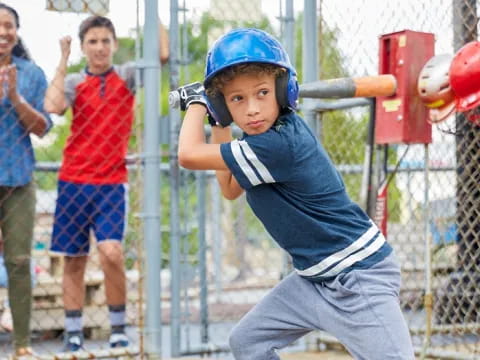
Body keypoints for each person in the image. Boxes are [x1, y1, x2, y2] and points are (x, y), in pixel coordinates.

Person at [176, 28, 415, 360]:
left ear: (283, 90)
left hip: (358, 276)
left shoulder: (279, 144)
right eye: (237, 100)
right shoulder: (258, 142)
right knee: (248, 342)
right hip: (312, 280)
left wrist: (198, 105)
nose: (252, 109)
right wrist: (219, 121)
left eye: (262, 93)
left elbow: (188, 154)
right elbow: (230, 188)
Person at [44, 15, 168, 352]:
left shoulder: (126, 76)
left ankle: (117, 327)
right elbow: (52, 106)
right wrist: (64, 57)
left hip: (111, 182)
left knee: (111, 253)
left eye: (105, 41)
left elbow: (161, 54)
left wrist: (155, 10)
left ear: (114, 44)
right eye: (92, 42)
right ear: (84, 47)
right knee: (73, 258)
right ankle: (72, 332)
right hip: (73, 180)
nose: (99, 47)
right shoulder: (73, 82)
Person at [0, 3, 53, 359]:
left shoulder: (31, 73)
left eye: (9, 26)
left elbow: (43, 127)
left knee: (19, 260)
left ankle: (21, 343)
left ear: (17, 32)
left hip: (17, 179)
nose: (4, 32)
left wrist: (15, 97)